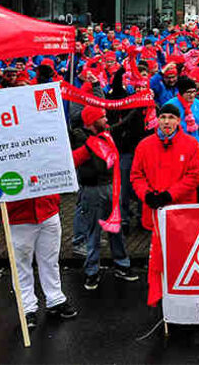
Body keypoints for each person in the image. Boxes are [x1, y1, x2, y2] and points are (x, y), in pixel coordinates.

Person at [130, 103, 199, 306]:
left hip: (181, 212)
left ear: (178, 121)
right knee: (158, 257)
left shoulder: (191, 144)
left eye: (171, 117)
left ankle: (183, 295)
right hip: (154, 211)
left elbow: (195, 175)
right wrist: (146, 194)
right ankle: (161, 296)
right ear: (158, 120)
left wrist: (170, 195)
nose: (166, 122)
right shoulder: (144, 145)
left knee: (182, 255)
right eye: (163, 117)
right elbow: (136, 175)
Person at [71, 106, 138, 290]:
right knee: (93, 232)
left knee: (115, 228)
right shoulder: (80, 138)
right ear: (92, 122)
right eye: (102, 117)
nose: (106, 120)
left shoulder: (103, 135)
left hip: (110, 186)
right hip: (92, 189)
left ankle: (122, 265)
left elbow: (119, 126)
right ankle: (92, 271)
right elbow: (93, 163)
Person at [7, 194, 78, 329]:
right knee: (21, 266)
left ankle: (55, 298)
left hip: (48, 210)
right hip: (19, 215)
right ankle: (27, 308)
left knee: (50, 260)